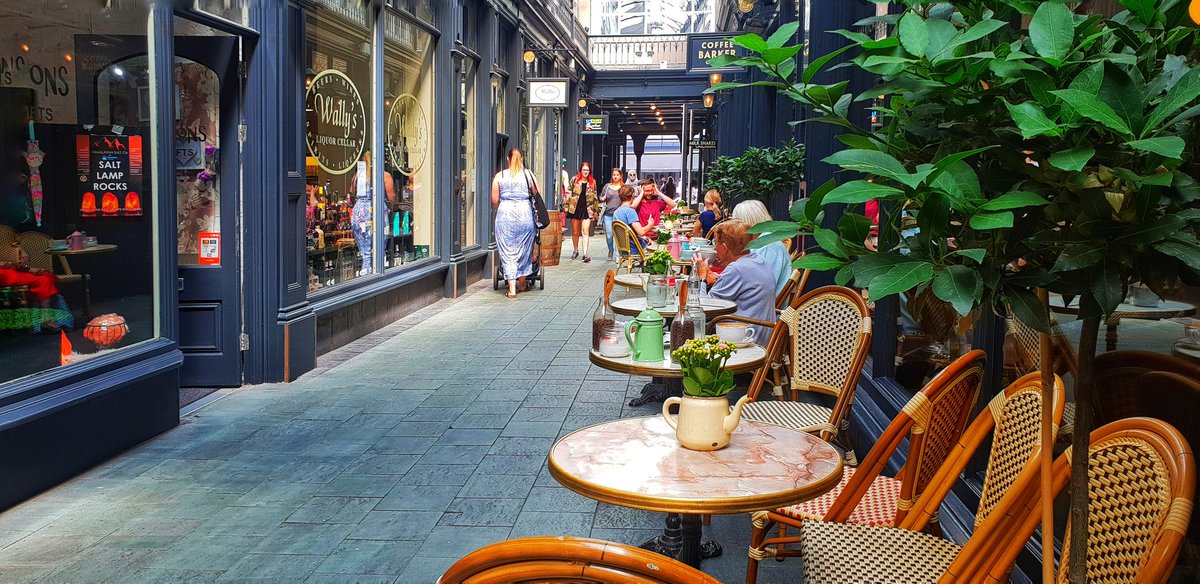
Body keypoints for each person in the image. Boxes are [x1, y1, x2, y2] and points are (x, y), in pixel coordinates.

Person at [693, 219, 777, 345]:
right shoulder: (760, 260)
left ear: (724, 247)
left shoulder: (736, 269)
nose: (715, 248)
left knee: (685, 325)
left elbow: (704, 308)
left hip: (743, 340)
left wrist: (702, 277)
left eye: (716, 243)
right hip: (764, 337)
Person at [491, 148, 538, 298]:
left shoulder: (500, 176)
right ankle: (522, 283)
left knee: (507, 250)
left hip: (505, 214)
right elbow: (536, 193)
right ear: (522, 159)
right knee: (524, 248)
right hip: (525, 215)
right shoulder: (528, 175)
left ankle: (512, 289)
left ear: (508, 159)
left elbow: (494, 200)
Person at [349, 150, 396, 276]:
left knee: (363, 240)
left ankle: (366, 266)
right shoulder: (384, 175)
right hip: (376, 208)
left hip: (359, 211)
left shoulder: (358, 175)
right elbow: (391, 196)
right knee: (380, 239)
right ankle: (377, 267)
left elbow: (352, 191)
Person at [732, 200, 791, 294]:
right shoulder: (762, 240)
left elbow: (759, 287)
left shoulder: (768, 246)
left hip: (764, 305)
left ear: (746, 223)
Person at [564, 162, 600, 262]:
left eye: (587, 170)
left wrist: (596, 210)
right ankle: (575, 250)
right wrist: (566, 206)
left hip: (588, 208)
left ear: (590, 171)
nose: (585, 172)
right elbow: (568, 192)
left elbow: (595, 197)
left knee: (585, 231)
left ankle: (585, 253)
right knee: (575, 232)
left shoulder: (593, 182)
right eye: (584, 170)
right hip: (575, 207)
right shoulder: (574, 180)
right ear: (580, 170)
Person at [612, 185, 651, 251]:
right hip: (635, 248)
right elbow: (641, 232)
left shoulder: (616, 212)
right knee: (657, 245)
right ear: (632, 196)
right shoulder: (630, 211)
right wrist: (650, 224)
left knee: (645, 239)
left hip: (624, 249)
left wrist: (642, 238)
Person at [600, 168, 625, 262]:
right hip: (608, 214)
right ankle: (610, 250)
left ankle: (618, 254)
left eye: (617, 175)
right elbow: (601, 197)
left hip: (619, 214)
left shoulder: (623, 187)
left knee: (618, 234)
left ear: (621, 176)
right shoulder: (607, 186)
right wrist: (602, 198)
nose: (615, 176)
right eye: (614, 175)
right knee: (609, 235)